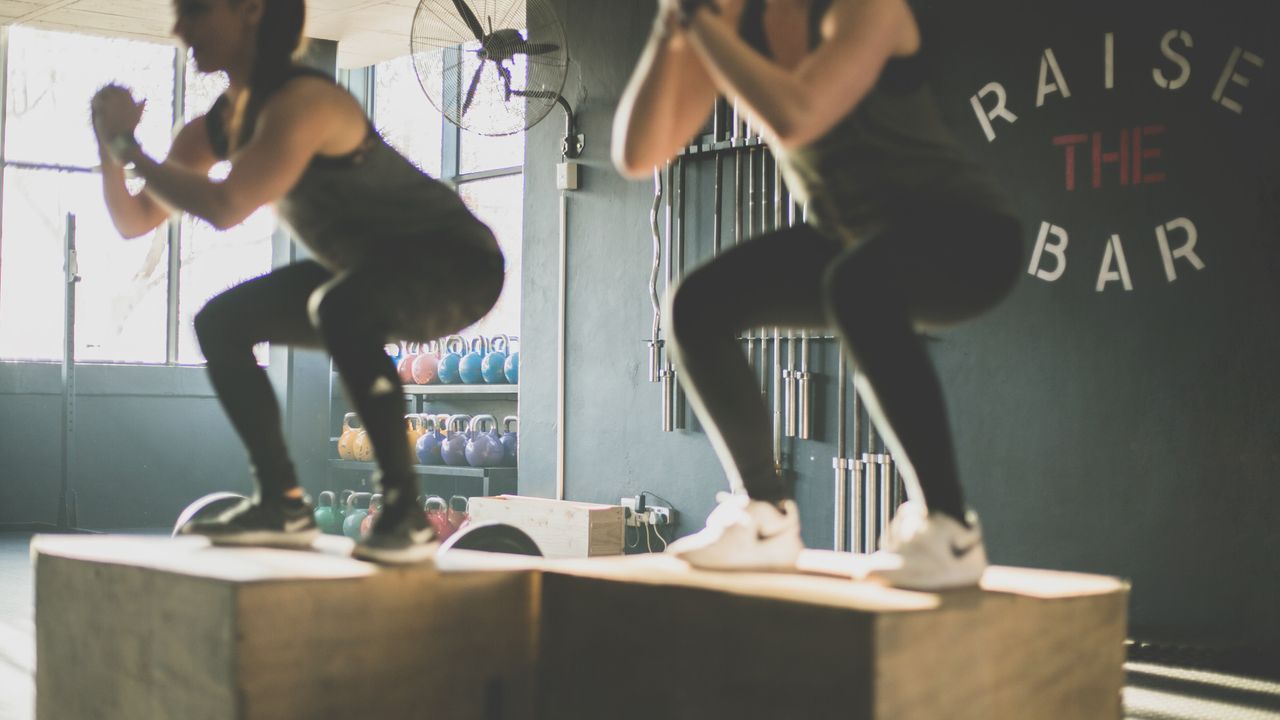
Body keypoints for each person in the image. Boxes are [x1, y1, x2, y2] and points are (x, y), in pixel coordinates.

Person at [613, 0, 1022, 589]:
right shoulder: (734, 27)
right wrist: (669, 26)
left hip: (967, 233)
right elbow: (638, 154)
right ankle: (764, 515)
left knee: (857, 284)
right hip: (852, 240)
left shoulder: (865, 8)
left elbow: (796, 114)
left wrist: (700, 25)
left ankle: (950, 528)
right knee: (697, 305)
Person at [90, 0, 504, 563]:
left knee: (339, 308)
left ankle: (405, 514)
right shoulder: (215, 127)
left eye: (196, 10)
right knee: (221, 321)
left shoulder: (306, 101)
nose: (180, 27)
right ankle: (282, 503)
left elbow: (225, 205)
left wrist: (130, 149)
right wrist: (110, 150)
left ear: (250, 10)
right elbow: (135, 220)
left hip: (456, 262)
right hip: (365, 271)